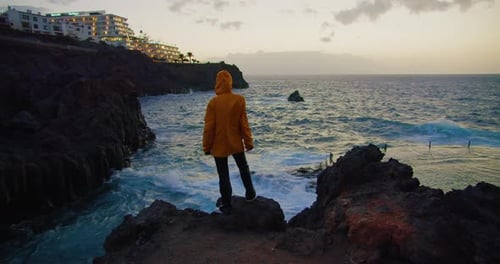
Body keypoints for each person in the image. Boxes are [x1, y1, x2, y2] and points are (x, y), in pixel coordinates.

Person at [203, 70, 256, 214]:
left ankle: (226, 204)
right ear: (230, 82)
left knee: (223, 175)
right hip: (235, 143)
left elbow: (209, 128)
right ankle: (250, 193)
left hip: (218, 145)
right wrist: (248, 142)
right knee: (243, 167)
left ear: (218, 83)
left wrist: (207, 146)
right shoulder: (239, 100)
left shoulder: (213, 103)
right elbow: (243, 124)